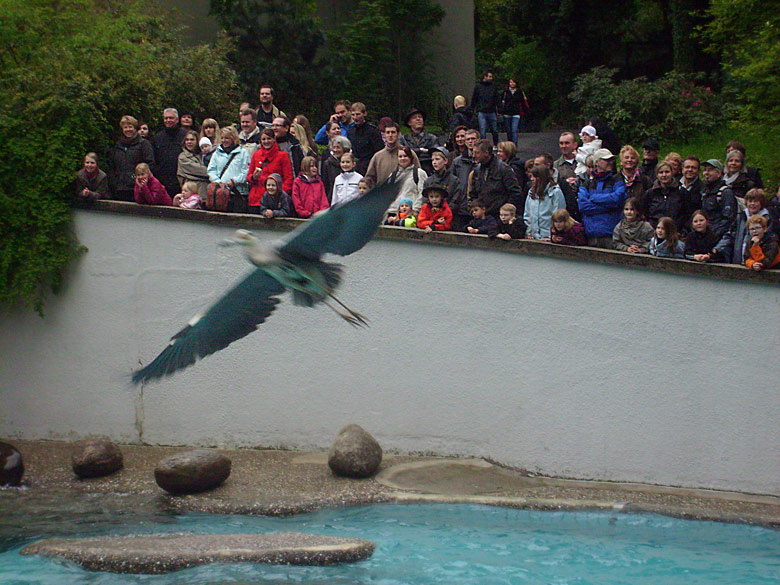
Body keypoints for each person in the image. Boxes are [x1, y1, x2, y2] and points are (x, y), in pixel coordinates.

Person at [577, 148, 627, 248]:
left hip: (611, 234)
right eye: (606, 160)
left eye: (611, 160)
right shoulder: (587, 183)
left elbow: (618, 199)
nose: (610, 163)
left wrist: (594, 198)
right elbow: (582, 206)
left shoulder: (617, 179)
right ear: (597, 162)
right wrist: (608, 207)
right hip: (591, 234)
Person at [468, 139, 525, 219]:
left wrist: (505, 212)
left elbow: (515, 193)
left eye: (477, 153)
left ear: (486, 153)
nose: (473, 156)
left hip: (499, 216)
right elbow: (473, 193)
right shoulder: (477, 170)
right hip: (483, 216)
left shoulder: (503, 169)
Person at [718, 188, 776, 264]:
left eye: (755, 201)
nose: (752, 204)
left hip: (759, 262)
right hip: (739, 260)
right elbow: (730, 236)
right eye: (750, 201)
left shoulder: (768, 219)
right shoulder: (740, 217)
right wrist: (718, 249)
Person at [108, 115, 154, 202]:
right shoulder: (118, 145)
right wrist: (114, 181)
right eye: (125, 127)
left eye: (130, 127)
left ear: (135, 128)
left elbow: (150, 164)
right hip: (119, 187)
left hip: (136, 187)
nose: (128, 130)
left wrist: (139, 179)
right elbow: (112, 165)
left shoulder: (144, 144)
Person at [246, 128, 293, 213]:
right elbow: (249, 177)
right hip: (256, 199)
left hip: (274, 200)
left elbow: (288, 179)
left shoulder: (282, 156)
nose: (266, 141)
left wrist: (280, 195)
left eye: (269, 138)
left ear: (274, 139)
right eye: (263, 139)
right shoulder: (256, 154)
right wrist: (254, 177)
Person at [206, 126, 251, 212]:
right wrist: (219, 183)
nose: (223, 140)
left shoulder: (243, 153)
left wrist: (234, 181)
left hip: (237, 193)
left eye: (226, 138)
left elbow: (246, 171)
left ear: (233, 138)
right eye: (222, 138)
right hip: (220, 193)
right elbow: (211, 170)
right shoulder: (216, 153)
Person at [365, 121, 420, 186]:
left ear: (398, 134)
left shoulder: (409, 153)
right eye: (388, 132)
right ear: (384, 135)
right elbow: (369, 179)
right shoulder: (377, 156)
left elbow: (418, 173)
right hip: (383, 193)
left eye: (393, 132)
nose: (390, 135)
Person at [151, 107, 189, 199]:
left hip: (181, 181)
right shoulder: (158, 137)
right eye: (166, 118)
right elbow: (154, 159)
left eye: (171, 118)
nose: (168, 120)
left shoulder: (186, 136)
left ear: (177, 120)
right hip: (163, 181)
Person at [524, 165, 566, 240]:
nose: (532, 179)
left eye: (534, 177)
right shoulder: (531, 192)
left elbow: (559, 216)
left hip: (549, 237)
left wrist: (553, 236)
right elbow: (527, 215)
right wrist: (528, 232)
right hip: (533, 237)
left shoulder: (556, 192)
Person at [700, 158, 738, 241]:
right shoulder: (704, 192)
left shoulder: (725, 192)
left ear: (719, 173)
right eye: (705, 170)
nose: (706, 173)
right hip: (706, 235)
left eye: (710, 170)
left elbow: (728, 218)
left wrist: (714, 235)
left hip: (721, 237)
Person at [643, 160, 684, 230]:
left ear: (672, 173)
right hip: (654, 232)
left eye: (667, 172)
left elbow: (686, 214)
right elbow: (644, 213)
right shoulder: (650, 193)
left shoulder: (681, 192)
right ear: (657, 175)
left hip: (675, 232)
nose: (664, 175)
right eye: (661, 172)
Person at [450, 128, 479, 229]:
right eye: (468, 139)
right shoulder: (457, 162)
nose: (470, 141)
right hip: (461, 206)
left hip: (479, 206)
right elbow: (452, 183)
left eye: (473, 139)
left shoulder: (482, 161)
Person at [346, 102, 384, 176]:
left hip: (369, 167)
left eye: (358, 114)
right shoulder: (350, 131)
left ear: (364, 114)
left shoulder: (373, 130)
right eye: (353, 115)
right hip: (355, 167)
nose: (355, 117)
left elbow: (379, 151)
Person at [399, 108, 440, 176]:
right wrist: (421, 150)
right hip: (408, 174)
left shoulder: (432, 138)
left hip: (429, 173)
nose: (418, 119)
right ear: (409, 123)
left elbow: (436, 154)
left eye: (420, 117)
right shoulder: (403, 139)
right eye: (414, 117)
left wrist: (412, 152)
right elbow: (401, 154)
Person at [387, 146, 427, 216]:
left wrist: (415, 210)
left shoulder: (419, 173)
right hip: (393, 213)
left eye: (405, 156)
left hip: (411, 214)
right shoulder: (393, 175)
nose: (403, 158)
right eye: (400, 156)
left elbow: (423, 193)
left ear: (410, 157)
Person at [177, 130, 209, 201]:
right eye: (187, 140)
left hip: (205, 193)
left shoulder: (203, 155)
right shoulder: (183, 157)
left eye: (192, 140)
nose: (189, 142)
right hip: (190, 195)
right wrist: (213, 174)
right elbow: (200, 171)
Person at [471, 70, 499, 145]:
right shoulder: (478, 87)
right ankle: (483, 146)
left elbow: (496, 99)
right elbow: (474, 98)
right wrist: (472, 109)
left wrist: (498, 109)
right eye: (489, 76)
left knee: (495, 130)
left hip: (491, 111)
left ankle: (495, 144)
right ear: (485, 77)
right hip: (482, 111)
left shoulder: (493, 87)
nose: (491, 78)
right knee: (482, 131)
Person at [320, 135, 351, 202]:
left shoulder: (354, 163)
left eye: (338, 147)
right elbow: (325, 184)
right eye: (334, 147)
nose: (335, 150)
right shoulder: (327, 164)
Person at [500, 77, 527, 144]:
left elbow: (522, 102)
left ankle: (514, 145)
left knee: (514, 130)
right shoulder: (506, 92)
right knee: (508, 131)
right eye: (510, 82)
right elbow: (501, 101)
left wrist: (525, 111)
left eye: (513, 82)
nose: (511, 84)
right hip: (507, 113)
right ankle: (509, 145)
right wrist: (501, 110)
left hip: (516, 113)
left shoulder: (519, 92)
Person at [679, 155, 704, 222]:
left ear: (698, 171)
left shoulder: (703, 189)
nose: (690, 170)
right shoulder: (675, 186)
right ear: (682, 169)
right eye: (687, 167)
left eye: (693, 168)